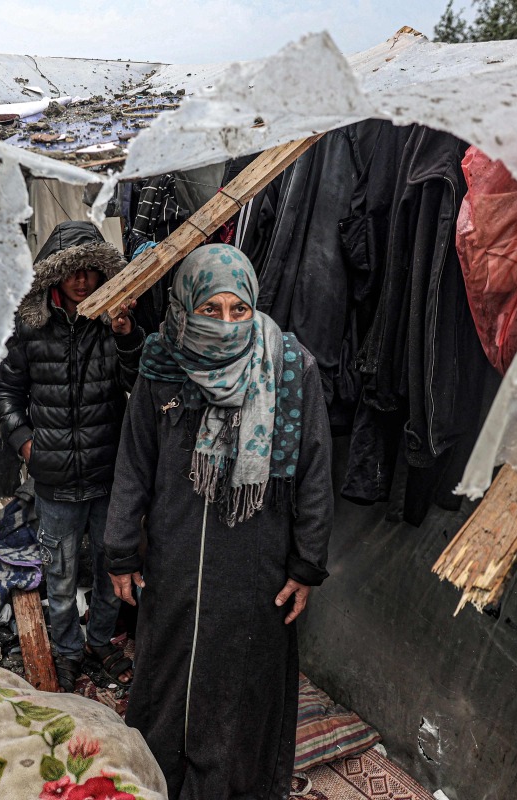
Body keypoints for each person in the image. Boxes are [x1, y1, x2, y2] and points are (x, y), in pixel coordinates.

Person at [104, 243, 333, 800]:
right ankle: (158, 782)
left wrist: (306, 564)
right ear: (185, 308)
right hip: (176, 562)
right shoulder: (162, 364)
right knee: (168, 678)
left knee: (241, 688)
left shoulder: (290, 369)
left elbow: (314, 470)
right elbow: (134, 464)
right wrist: (118, 552)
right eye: (211, 310)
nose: (227, 324)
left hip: (256, 567)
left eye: (238, 310)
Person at [0, 220, 142, 692]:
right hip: (54, 479)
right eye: (71, 271)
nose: (81, 280)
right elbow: (6, 390)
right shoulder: (30, 327)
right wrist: (26, 443)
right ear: (54, 276)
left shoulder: (112, 322)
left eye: (90, 270)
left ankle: (99, 642)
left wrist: (125, 335)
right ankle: (68, 652)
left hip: (106, 473)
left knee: (107, 566)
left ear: (102, 273)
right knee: (58, 575)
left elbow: (137, 381)